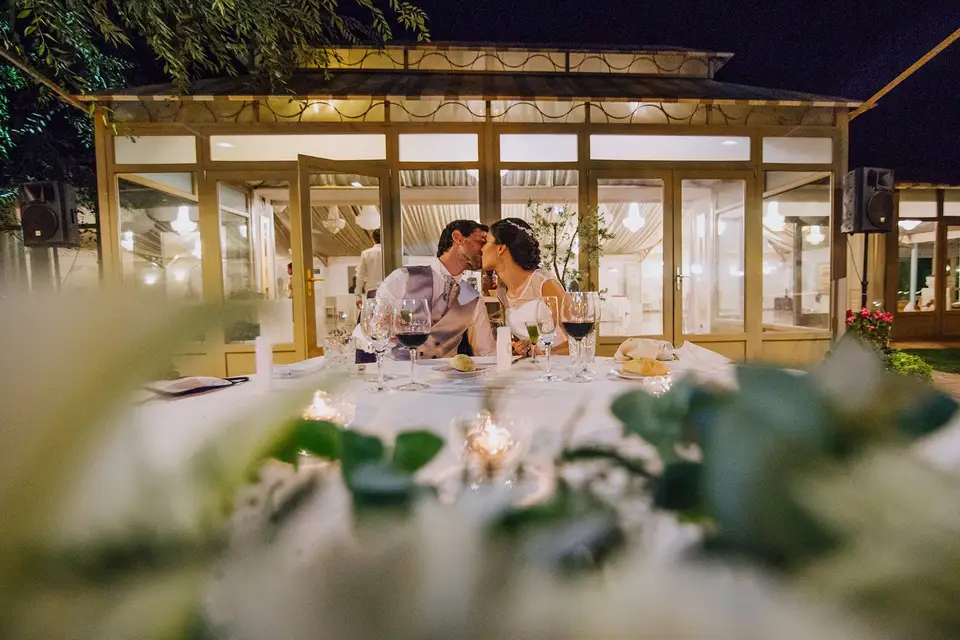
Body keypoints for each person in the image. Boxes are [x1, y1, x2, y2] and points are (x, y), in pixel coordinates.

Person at [371, 219, 496, 359]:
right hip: (399, 374)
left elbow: (487, 353)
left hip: (447, 378)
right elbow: (374, 330)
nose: (485, 250)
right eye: (482, 242)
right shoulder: (402, 278)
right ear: (458, 238)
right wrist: (386, 327)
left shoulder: (474, 300)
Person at [481, 217, 568, 355]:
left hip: (557, 368)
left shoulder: (544, 283)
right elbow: (521, 341)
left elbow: (578, 341)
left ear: (500, 248)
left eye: (486, 242)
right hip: (528, 369)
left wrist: (544, 354)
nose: (482, 249)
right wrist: (522, 348)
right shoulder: (502, 292)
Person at [355, 228, 383, 308]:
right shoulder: (390, 253)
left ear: (373, 239)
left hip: (372, 292)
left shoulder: (366, 253)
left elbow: (360, 276)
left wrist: (358, 296)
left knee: (373, 319)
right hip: (389, 292)